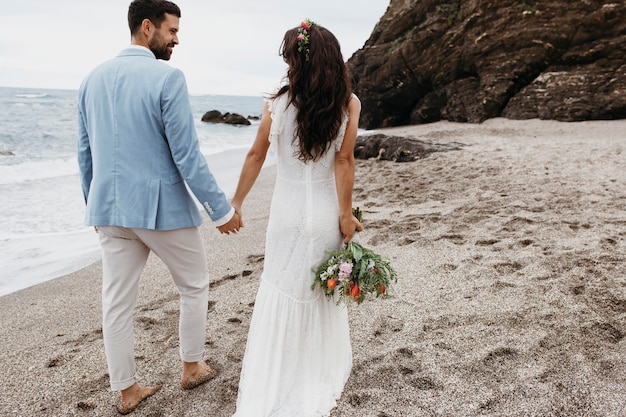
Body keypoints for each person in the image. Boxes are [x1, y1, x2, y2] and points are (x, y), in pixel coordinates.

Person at [77, 0, 242, 414]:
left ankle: (127, 391)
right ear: (146, 26)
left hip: (109, 211)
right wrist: (219, 211)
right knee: (193, 285)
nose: (176, 39)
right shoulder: (166, 78)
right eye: (171, 31)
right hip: (160, 209)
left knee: (116, 302)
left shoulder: (89, 80)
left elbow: (85, 154)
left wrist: (93, 206)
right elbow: (186, 154)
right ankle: (191, 366)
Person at [229, 19, 362, 417]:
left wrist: (236, 202)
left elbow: (256, 155)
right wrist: (346, 216)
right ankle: (314, 370)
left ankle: (280, 373)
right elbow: (344, 161)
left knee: (283, 288)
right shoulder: (348, 104)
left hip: (285, 215)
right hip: (324, 212)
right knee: (318, 292)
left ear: (297, 62)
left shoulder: (278, 103)